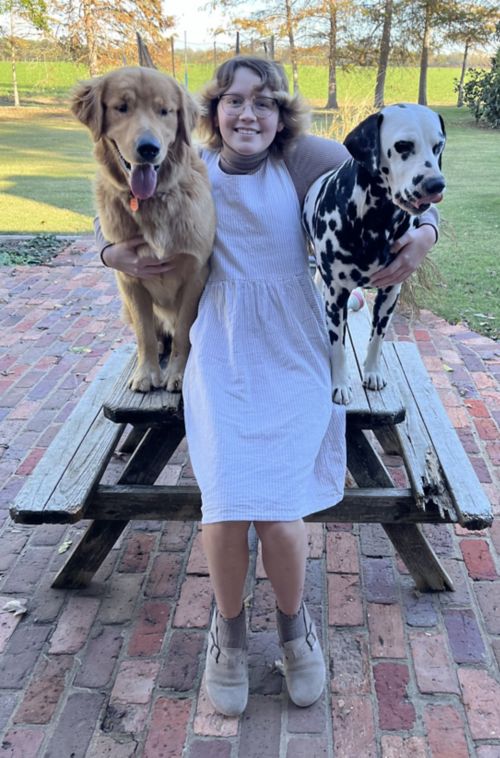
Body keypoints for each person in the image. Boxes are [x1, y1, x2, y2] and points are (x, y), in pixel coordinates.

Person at [95, 56, 439, 717]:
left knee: (280, 516)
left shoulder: (305, 160)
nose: (246, 113)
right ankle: (227, 637)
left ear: (283, 112)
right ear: (212, 110)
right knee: (224, 508)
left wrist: (424, 233)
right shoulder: (186, 162)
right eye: (232, 100)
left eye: (263, 101)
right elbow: (114, 206)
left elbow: (401, 180)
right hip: (218, 346)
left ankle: (293, 627)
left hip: (294, 347)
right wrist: (115, 254)